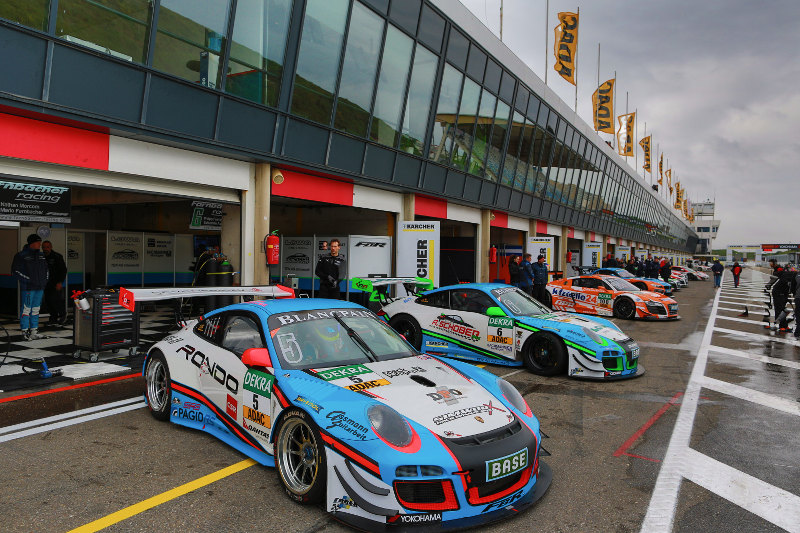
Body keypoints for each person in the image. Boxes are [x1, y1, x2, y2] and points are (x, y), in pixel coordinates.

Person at [11, 234, 49, 340]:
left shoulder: (41, 255)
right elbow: (15, 271)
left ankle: (34, 331)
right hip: (28, 288)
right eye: (38, 242)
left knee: (36, 309)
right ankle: (24, 331)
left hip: (40, 287)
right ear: (31, 243)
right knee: (26, 309)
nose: (40, 244)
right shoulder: (21, 255)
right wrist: (29, 281)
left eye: (40, 242)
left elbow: (46, 269)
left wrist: (44, 281)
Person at [42, 240, 67, 326]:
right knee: (48, 301)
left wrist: (60, 282)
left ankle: (62, 315)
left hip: (55, 283)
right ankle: (53, 318)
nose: (46, 249)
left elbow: (63, 270)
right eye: (44, 247)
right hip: (46, 283)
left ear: (51, 247)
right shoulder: (41, 257)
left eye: (47, 247)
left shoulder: (57, 256)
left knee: (55, 300)